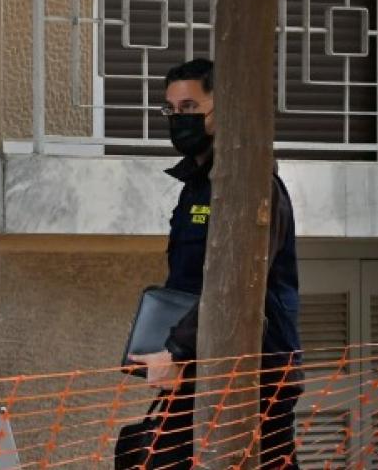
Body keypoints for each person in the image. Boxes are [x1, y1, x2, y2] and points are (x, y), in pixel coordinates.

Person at [128, 59, 302, 469]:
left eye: (190, 107)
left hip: (253, 371)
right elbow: (188, 284)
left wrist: (176, 350)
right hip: (199, 363)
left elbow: (237, 286)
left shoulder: (251, 186)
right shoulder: (195, 187)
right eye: (171, 110)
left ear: (225, 109)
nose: (178, 119)